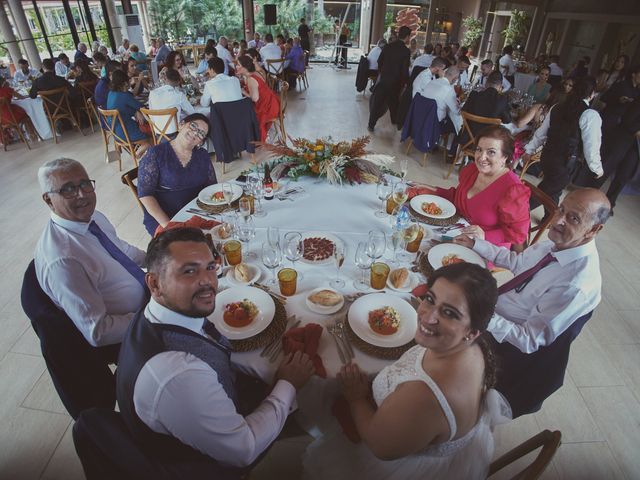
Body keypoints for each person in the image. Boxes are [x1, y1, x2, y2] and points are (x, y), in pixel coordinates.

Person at [116, 227, 315, 475]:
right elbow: (244, 449)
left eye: (210, 267)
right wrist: (287, 384)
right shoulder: (178, 374)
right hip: (204, 464)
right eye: (189, 271)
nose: (208, 281)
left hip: (205, 407)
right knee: (315, 403)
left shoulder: (157, 313)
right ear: (154, 283)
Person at [303, 262, 510, 480]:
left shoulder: (424, 398)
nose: (428, 317)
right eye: (430, 299)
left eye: (449, 313)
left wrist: (356, 398)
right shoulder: (473, 346)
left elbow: (378, 445)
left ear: (471, 331)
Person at [454, 187, 609, 354]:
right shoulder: (559, 244)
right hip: (494, 310)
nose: (557, 221)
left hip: (504, 340)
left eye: (573, 218)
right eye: (561, 210)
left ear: (593, 230)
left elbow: (528, 339)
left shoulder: (575, 285)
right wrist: (476, 244)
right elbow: (518, 262)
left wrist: (482, 314)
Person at [34, 158, 147, 346]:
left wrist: (162, 259)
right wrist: (154, 318)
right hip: (134, 330)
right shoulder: (64, 260)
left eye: (85, 184)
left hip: (148, 299)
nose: (82, 195)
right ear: (48, 200)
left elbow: (123, 250)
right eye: (68, 189)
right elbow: (99, 331)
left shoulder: (90, 216)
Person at [417, 126, 530, 249]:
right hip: (454, 234)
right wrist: (433, 190)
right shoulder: (472, 170)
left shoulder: (513, 190)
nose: (481, 157)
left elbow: (518, 234)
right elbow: (458, 197)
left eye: (491, 152)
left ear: (505, 157)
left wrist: (484, 235)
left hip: (487, 249)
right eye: (479, 150)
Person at [522, 76, 603, 215]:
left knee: (554, 189)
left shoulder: (557, 107)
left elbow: (541, 133)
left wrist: (529, 149)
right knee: (544, 192)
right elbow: (592, 145)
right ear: (592, 94)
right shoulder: (590, 114)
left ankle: (548, 219)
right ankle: (516, 213)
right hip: (566, 163)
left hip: (547, 157)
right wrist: (596, 168)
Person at [137, 114, 216, 234]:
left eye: (201, 133)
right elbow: (145, 195)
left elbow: (211, 187)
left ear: (201, 141)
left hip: (195, 213)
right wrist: (169, 225)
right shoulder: (156, 154)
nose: (195, 133)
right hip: (165, 217)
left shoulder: (202, 155)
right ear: (181, 125)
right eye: (193, 126)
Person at [593, 96, 640, 209]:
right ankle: (592, 192)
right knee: (608, 165)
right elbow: (627, 119)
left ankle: (610, 202)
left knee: (624, 175)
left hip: (636, 146)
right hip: (624, 137)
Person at [367, 25, 411, 132]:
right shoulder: (406, 51)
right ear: (407, 37)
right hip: (395, 82)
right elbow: (404, 70)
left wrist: (383, 72)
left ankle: (371, 124)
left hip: (384, 79)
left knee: (378, 102)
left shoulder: (388, 46)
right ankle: (395, 121)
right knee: (394, 102)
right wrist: (406, 82)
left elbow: (379, 61)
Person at [236, 55, 280, 142]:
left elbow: (255, 99)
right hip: (272, 102)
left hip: (268, 107)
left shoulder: (251, 79)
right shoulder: (255, 73)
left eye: (238, 65)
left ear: (244, 67)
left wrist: (243, 92)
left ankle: (248, 138)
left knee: (244, 113)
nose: (236, 66)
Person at [106, 69, 150, 152]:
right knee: (150, 136)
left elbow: (123, 108)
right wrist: (137, 111)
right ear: (124, 83)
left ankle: (136, 152)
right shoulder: (124, 96)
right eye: (128, 81)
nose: (129, 83)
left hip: (115, 133)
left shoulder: (111, 93)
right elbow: (142, 108)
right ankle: (138, 154)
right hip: (126, 133)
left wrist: (135, 111)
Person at [148, 68, 196, 136]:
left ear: (165, 78)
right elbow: (192, 113)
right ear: (178, 82)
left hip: (158, 133)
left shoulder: (152, 93)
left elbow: (151, 114)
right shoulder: (179, 95)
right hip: (174, 133)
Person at [417, 66, 463, 136]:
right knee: (458, 125)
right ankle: (453, 145)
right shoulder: (449, 90)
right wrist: (458, 104)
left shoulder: (432, 82)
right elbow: (457, 111)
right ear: (455, 78)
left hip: (420, 117)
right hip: (434, 123)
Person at [599, 64, 640, 140]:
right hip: (610, 118)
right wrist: (618, 100)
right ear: (633, 74)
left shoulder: (637, 91)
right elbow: (604, 98)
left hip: (622, 124)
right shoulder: (622, 84)